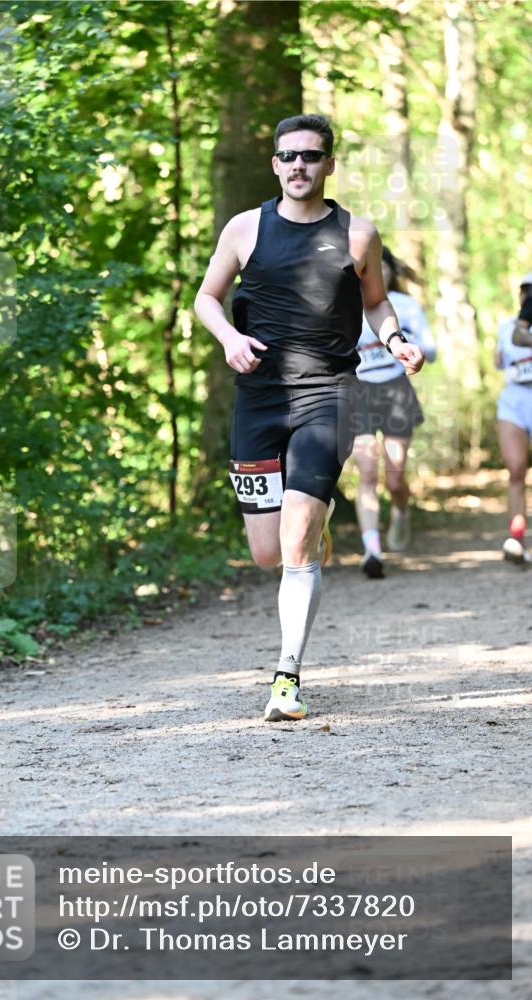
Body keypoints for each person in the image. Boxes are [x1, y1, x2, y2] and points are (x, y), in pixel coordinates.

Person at [194, 113, 424, 722]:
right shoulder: (245, 229)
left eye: (312, 156)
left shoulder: (357, 234)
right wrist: (226, 339)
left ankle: (286, 679)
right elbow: (206, 297)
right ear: (275, 164)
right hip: (259, 397)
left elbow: (376, 305)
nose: (300, 165)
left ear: (329, 164)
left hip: (330, 394)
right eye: (289, 156)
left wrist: (396, 338)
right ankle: (314, 533)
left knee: (295, 548)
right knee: (268, 553)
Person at [351, 247, 437, 578]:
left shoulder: (405, 305)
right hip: (359, 391)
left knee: (395, 475)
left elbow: (431, 350)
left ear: (388, 270)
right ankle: (371, 549)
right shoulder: (346, 306)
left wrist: (406, 341)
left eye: (382, 267)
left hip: (395, 390)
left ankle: (401, 511)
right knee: (368, 472)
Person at [495, 273, 532, 564]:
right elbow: (499, 361)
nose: (528, 297)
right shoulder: (506, 326)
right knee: (517, 469)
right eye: (525, 291)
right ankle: (516, 538)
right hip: (514, 400)